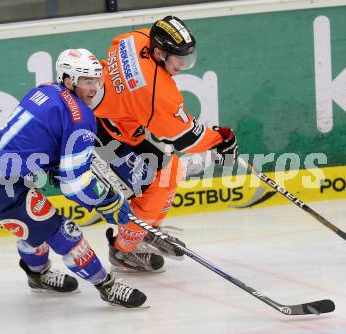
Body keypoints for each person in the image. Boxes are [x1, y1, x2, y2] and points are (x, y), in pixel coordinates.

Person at [0, 48, 147, 308]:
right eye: (87, 80)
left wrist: (54, 166)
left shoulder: (45, 89)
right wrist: (109, 201)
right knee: (64, 232)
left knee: (35, 229)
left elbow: (33, 139)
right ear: (68, 80)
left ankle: (37, 275)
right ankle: (106, 285)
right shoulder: (81, 117)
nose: (95, 87)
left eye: (97, 79)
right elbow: (74, 186)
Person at [93, 16, 238, 273]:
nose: (183, 64)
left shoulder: (134, 39)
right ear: (159, 52)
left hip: (111, 124)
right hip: (100, 137)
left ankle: (144, 230)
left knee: (166, 172)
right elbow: (184, 138)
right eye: (178, 58)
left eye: (187, 57)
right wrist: (220, 140)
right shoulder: (156, 92)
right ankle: (123, 249)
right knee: (162, 182)